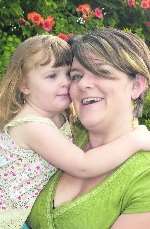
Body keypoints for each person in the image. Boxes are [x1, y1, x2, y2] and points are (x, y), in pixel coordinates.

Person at [27, 28, 150, 229]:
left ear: (136, 86)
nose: (83, 84)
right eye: (76, 76)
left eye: (101, 71)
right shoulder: (59, 137)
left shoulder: (145, 174)